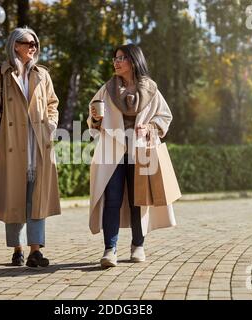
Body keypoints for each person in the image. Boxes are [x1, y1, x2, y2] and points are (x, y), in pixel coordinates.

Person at [0, 27, 61, 268]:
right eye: (27, 42)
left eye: (35, 42)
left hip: (38, 143)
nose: (33, 46)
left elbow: (53, 102)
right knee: (14, 197)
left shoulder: (42, 75)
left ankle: (36, 250)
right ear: (15, 45)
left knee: (37, 198)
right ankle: (17, 248)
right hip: (10, 143)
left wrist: (51, 124)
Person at [87, 44, 176, 268]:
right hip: (112, 153)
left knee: (139, 201)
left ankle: (138, 246)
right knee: (112, 200)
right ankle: (110, 250)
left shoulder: (151, 89)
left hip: (141, 152)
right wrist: (95, 120)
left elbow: (165, 116)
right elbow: (93, 116)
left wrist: (150, 127)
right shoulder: (107, 89)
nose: (116, 62)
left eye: (121, 58)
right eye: (115, 58)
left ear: (133, 61)